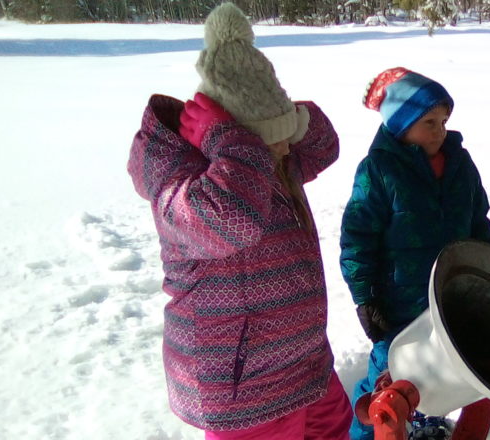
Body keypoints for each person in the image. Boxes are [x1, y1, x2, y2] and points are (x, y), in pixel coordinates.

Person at [127, 3, 352, 439]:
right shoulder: (181, 182)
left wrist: (287, 118)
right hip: (244, 391)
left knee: (337, 428)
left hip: (303, 363)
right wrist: (233, 139)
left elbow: (325, 146)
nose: (287, 152)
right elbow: (233, 219)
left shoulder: (265, 162)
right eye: (275, 145)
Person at [339, 67, 490, 440]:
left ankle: (426, 421)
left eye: (443, 120)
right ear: (401, 124)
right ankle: (364, 432)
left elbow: (479, 224)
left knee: (446, 368)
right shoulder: (378, 171)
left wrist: (486, 274)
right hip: (398, 303)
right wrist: (366, 298)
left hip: (451, 297)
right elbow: (357, 239)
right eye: (429, 121)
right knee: (389, 374)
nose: (439, 130)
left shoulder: (461, 164)